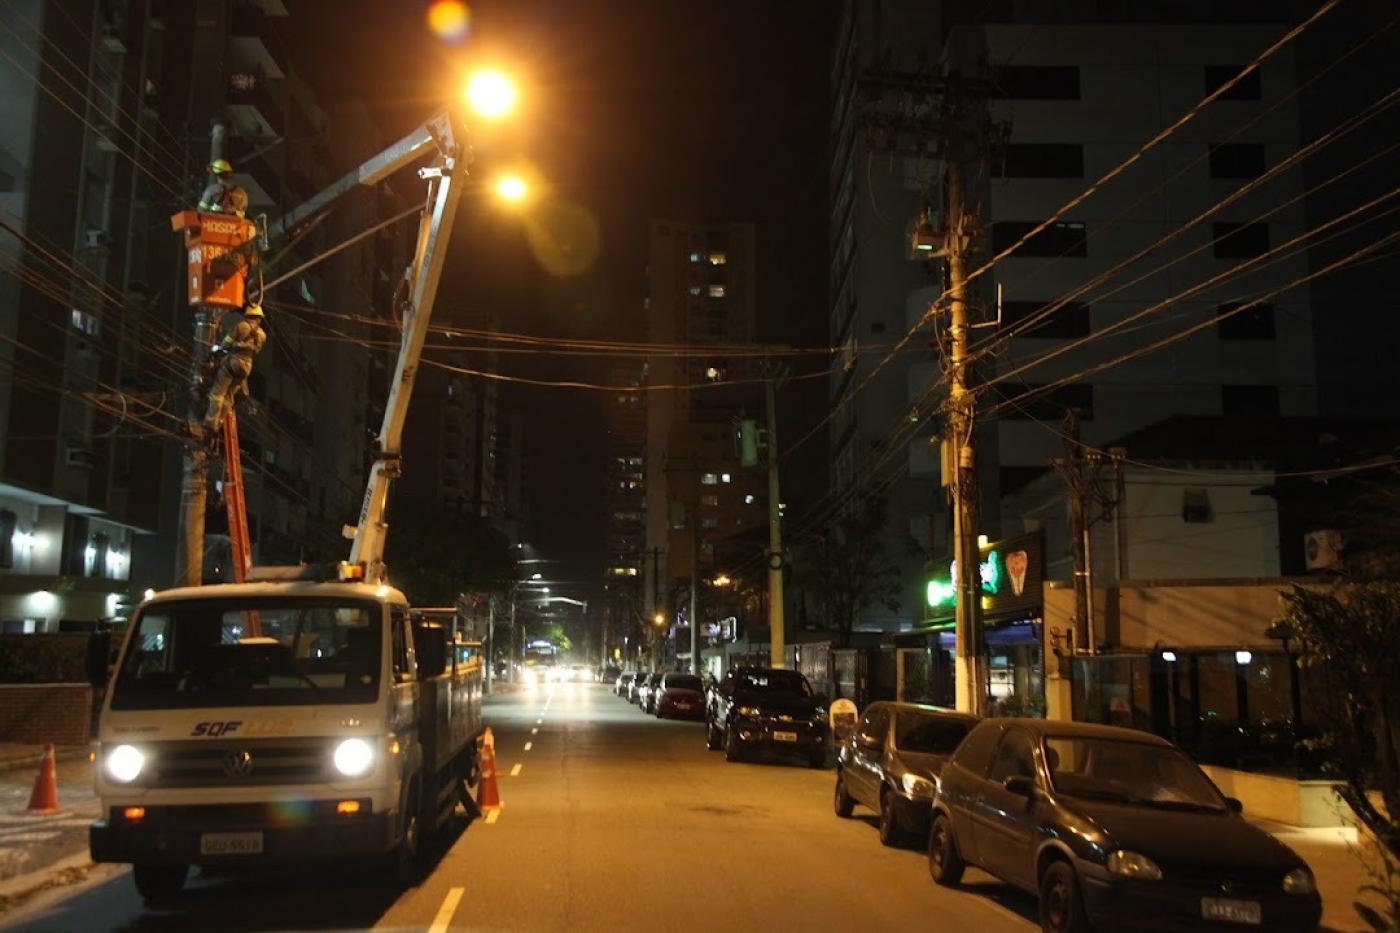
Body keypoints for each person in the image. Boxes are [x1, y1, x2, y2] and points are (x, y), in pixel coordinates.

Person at [203, 304, 266, 435]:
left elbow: (226, 343)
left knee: (217, 394)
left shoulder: (241, 326)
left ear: (248, 316)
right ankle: (219, 422)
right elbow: (256, 351)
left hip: (234, 363)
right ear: (259, 318)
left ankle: (210, 423)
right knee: (229, 396)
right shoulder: (262, 335)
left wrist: (216, 351)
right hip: (246, 368)